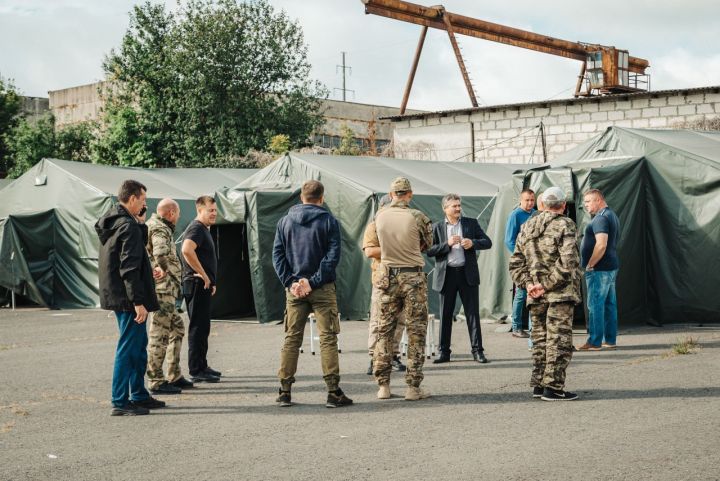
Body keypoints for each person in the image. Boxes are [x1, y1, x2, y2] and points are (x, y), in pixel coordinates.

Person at [272, 180, 353, 408]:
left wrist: (291, 282)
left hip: (295, 290)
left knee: (291, 338)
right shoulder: (329, 221)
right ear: (322, 198)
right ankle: (333, 392)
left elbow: (277, 256)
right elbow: (332, 257)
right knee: (327, 338)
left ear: (301, 197)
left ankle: (284, 391)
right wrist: (313, 281)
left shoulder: (284, 221)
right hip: (322, 288)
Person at [96, 180, 165, 416]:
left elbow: (129, 258)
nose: (145, 205)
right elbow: (129, 267)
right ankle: (120, 401)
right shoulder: (127, 226)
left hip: (119, 294)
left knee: (137, 346)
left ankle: (138, 394)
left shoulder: (116, 222)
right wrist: (138, 302)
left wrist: (141, 224)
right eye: (143, 200)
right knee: (128, 347)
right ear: (133, 198)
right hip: (129, 299)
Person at [509, 186, 581, 401]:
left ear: (542, 205)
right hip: (559, 294)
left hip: (535, 295)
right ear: (563, 205)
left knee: (540, 341)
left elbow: (515, 263)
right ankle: (554, 387)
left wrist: (530, 285)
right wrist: (546, 285)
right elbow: (569, 262)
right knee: (558, 341)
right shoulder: (565, 224)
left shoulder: (527, 226)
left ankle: (539, 385)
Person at [372, 177, 433, 401]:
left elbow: (374, 243)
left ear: (391, 194)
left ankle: (383, 386)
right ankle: (413, 387)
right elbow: (427, 244)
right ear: (409, 194)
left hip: (387, 276)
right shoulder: (417, 217)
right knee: (416, 332)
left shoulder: (379, 216)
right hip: (413, 277)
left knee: (384, 331)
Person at [427, 193, 492, 364]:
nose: (458, 208)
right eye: (454, 206)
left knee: (472, 314)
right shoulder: (437, 227)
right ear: (445, 208)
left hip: (466, 274)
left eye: (459, 205)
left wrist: (473, 243)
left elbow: (487, 242)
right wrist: (446, 244)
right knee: (445, 315)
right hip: (446, 275)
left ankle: (478, 351)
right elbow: (429, 250)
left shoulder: (471, 223)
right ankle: (444, 352)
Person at [145, 198, 194, 394]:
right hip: (163, 290)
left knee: (177, 327)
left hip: (165, 290)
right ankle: (156, 380)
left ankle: (174, 374)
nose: (178, 217)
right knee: (159, 333)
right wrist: (164, 269)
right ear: (172, 213)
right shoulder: (160, 228)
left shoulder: (153, 224)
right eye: (178, 213)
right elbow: (159, 253)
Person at [362, 194, 406, 375]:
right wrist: (396, 249)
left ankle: (393, 355)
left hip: (403, 278)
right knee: (378, 320)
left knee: (400, 320)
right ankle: (375, 357)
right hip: (383, 280)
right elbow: (370, 251)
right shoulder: (374, 226)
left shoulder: (404, 225)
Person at [181, 196, 220, 383]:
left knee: (203, 327)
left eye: (215, 210)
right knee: (197, 327)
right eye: (210, 210)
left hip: (203, 285)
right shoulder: (196, 228)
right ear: (199, 210)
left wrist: (211, 280)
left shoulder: (203, 229)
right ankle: (196, 370)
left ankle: (202, 366)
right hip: (196, 284)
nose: (214, 213)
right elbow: (186, 249)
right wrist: (204, 275)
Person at [578, 189, 621, 351]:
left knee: (595, 305)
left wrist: (590, 264)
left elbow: (601, 244)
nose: (586, 205)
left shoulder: (600, 218)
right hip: (610, 267)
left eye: (588, 201)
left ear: (598, 200)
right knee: (609, 305)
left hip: (600, 269)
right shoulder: (611, 215)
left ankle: (594, 342)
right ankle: (609, 340)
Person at [504, 189, 536, 338]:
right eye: (527, 200)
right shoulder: (515, 215)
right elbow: (509, 241)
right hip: (522, 262)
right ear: (521, 200)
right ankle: (516, 327)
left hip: (535, 261)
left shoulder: (535, 214)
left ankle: (533, 327)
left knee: (534, 293)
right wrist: (521, 256)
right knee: (521, 293)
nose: (530, 203)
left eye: (532, 200)